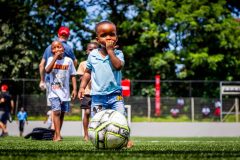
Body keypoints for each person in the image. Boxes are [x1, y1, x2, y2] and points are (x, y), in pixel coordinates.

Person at [78, 21, 133, 148]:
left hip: (115, 95)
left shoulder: (118, 53)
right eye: (104, 35)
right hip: (97, 96)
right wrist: (82, 87)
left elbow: (118, 66)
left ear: (116, 38)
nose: (108, 38)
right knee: (98, 120)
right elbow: (87, 72)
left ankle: (125, 140)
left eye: (112, 35)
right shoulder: (93, 55)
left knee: (121, 118)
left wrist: (110, 51)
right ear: (98, 39)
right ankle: (98, 140)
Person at [39, 26, 78, 121]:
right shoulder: (67, 47)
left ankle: (54, 130)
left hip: (49, 81)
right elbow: (75, 62)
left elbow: (41, 65)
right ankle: (54, 130)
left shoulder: (49, 47)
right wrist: (68, 73)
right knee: (57, 108)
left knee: (55, 107)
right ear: (68, 36)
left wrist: (42, 80)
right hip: (62, 82)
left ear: (58, 35)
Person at [45, 40, 77, 142]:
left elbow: (73, 75)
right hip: (53, 92)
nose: (57, 49)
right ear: (52, 51)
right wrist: (55, 58)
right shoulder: (50, 59)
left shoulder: (69, 61)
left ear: (63, 49)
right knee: (57, 112)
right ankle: (57, 135)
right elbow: (47, 70)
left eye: (59, 47)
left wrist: (75, 89)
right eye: (54, 48)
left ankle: (57, 133)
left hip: (65, 92)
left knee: (62, 113)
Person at [77, 41, 99, 141]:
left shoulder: (100, 62)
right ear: (87, 51)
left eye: (95, 49)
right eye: (90, 49)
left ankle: (97, 133)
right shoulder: (83, 64)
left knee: (98, 114)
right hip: (87, 92)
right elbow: (81, 77)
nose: (92, 51)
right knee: (86, 113)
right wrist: (88, 75)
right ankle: (86, 134)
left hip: (98, 92)